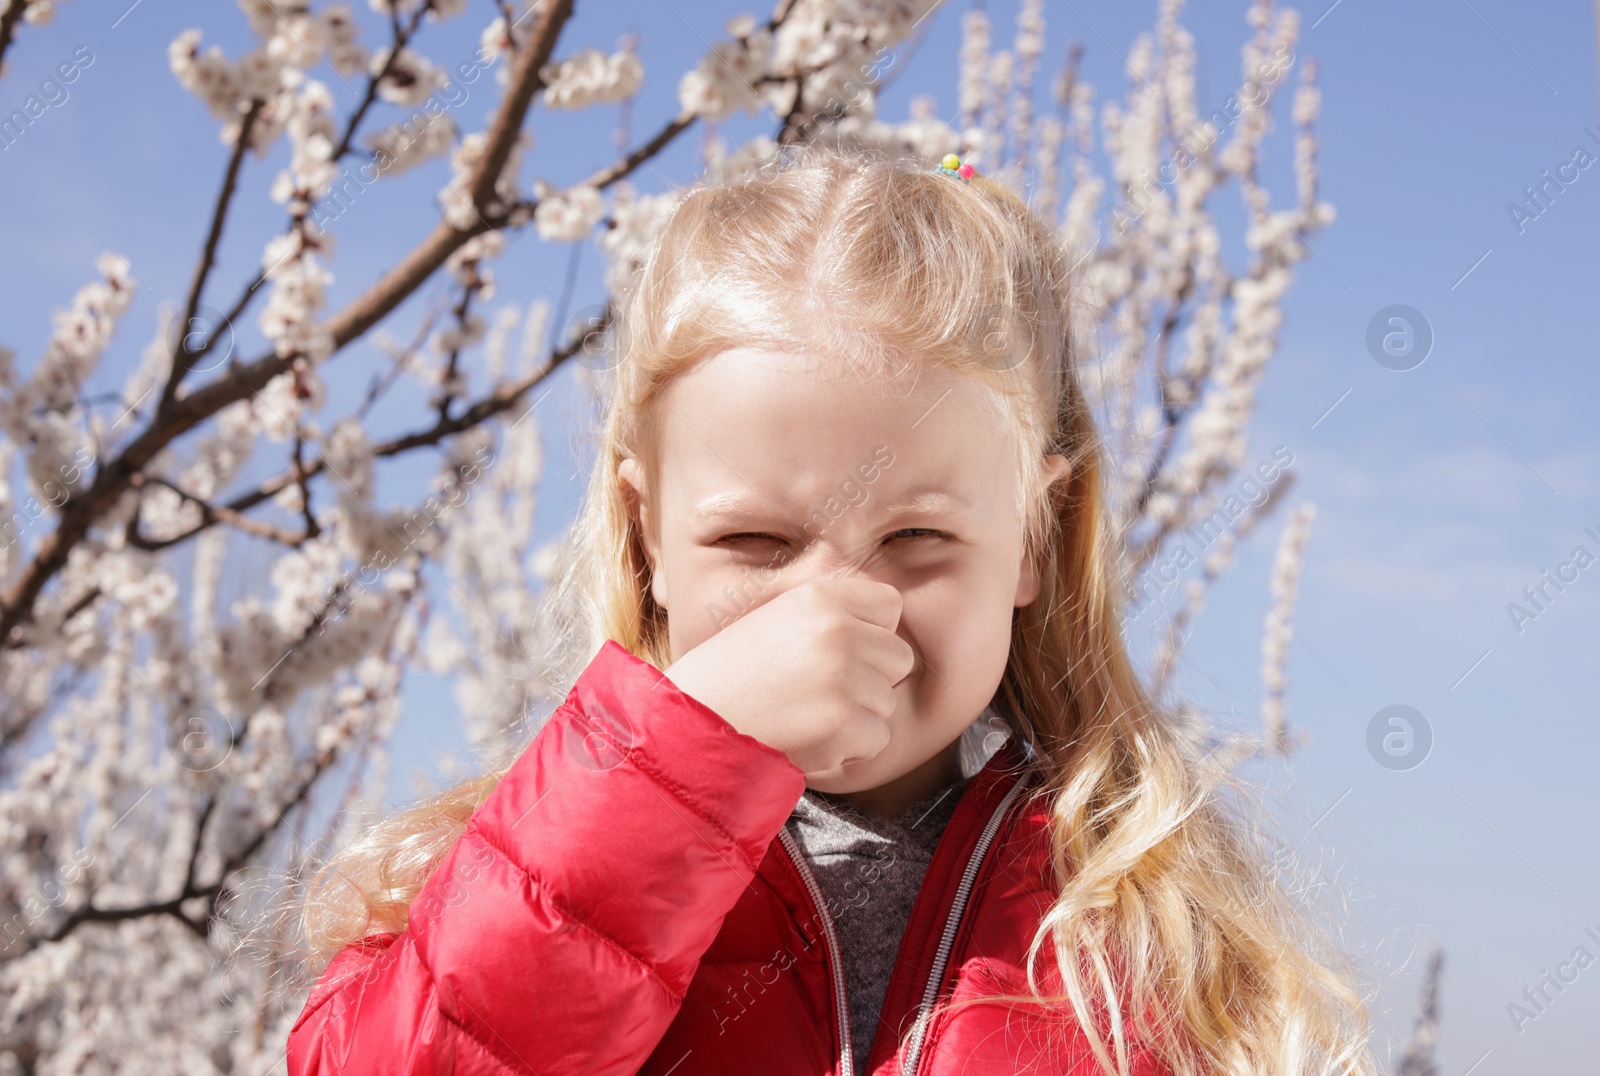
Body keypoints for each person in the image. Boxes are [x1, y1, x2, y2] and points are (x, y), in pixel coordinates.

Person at [285, 142, 1375, 1075]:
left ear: (1034, 535)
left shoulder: (1143, 937)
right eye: (755, 542)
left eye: (916, 540)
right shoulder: (500, 878)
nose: (835, 610)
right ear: (644, 534)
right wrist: (665, 775)